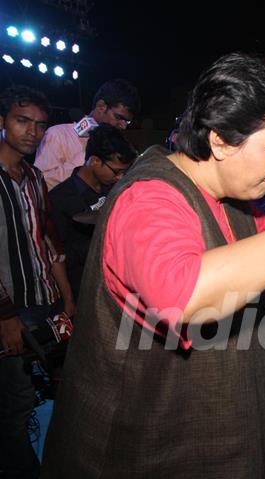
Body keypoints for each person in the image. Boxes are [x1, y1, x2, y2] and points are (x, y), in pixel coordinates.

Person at [40, 52, 265, 478]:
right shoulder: (149, 197)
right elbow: (183, 296)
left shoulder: (235, 201)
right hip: (142, 456)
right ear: (220, 140)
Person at [0, 85, 74, 479]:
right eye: (22, 120)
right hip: (9, 311)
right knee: (15, 404)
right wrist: (6, 316)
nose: (32, 131)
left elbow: (49, 241)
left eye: (40, 125)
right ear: (2, 122)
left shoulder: (32, 176)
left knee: (51, 390)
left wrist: (67, 298)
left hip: (45, 302)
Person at [48, 124, 137, 299]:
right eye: (117, 171)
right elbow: (59, 256)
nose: (120, 178)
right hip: (82, 290)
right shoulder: (60, 198)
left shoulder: (115, 189)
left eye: (124, 172)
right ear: (95, 161)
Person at [34, 78, 140, 189]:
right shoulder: (57, 135)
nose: (123, 126)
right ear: (101, 106)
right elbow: (42, 184)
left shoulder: (118, 145)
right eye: (118, 117)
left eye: (127, 122)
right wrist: (88, 158)